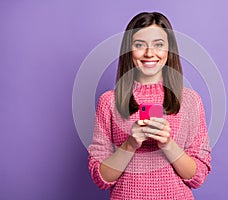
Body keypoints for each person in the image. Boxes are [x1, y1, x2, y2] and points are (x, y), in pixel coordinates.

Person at [88, 12, 211, 200]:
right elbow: (102, 178)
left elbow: (197, 176)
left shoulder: (190, 101)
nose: (149, 53)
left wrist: (167, 144)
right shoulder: (108, 102)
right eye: (139, 45)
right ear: (129, 50)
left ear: (169, 50)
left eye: (158, 45)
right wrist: (130, 144)